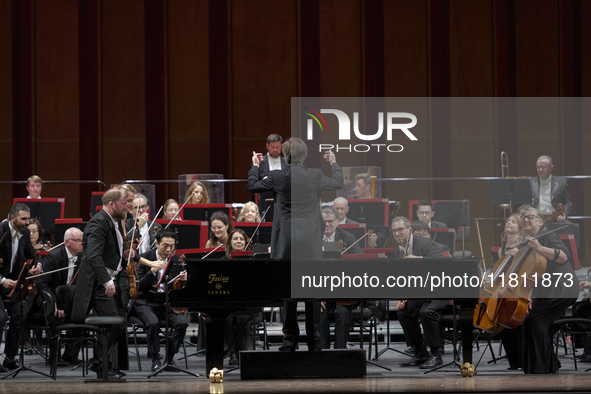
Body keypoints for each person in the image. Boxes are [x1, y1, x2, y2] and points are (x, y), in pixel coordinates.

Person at [248, 137, 343, 351]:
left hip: (286, 240)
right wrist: (334, 162)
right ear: (305, 156)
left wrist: (255, 166)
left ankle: (289, 341)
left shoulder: (277, 176)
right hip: (309, 240)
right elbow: (338, 183)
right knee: (311, 292)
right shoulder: (315, 175)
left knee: (287, 291)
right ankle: (314, 341)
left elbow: (252, 186)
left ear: (285, 155)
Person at [71, 189, 164, 379]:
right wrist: (106, 282)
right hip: (99, 284)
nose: (128, 207)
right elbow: (93, 256)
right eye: (124, 203)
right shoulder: (98, 223)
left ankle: (99, 362)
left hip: (110, 280)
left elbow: (113, 251)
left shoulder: (112, 221)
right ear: (111, 204)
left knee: (120, 321)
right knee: (114, 323)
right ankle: (100, 365)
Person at [518, 206, 578, 374]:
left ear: (539, 220)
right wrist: (529, 297)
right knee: (529, 318)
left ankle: (542, 366)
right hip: (546, 291)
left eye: (530, 216)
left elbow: (563, 257)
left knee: (535, 319)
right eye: (523, 217)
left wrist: (539, 248)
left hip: (562, 288)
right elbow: (532, 274)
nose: (526, 219)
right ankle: (547, 364)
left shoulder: (549, 236)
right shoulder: (529, 242)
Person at [390, 216, 446, 369]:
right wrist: (402, 297)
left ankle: (436, 355)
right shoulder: (398, 251)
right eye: (394, 231)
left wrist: (419, 258)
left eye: (400, 230)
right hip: (421, 293)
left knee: (426, 312)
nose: (397, 233)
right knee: (403, 313)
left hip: (439, 290)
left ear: (410, 229)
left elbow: (441, 262)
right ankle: (420, 353)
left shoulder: (425, 244)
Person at [132, 229, 188, 372]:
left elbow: (183, 289)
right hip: (146, 302)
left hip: (167, 304)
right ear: (156, 243)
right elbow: (139, 285)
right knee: (153, 323)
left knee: (182, 324)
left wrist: (186, 280)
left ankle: (169, 358)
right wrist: (152, 271)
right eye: (165, 246)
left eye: (172, 246)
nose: (169, 250)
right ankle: (155, 359)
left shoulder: (176, 261)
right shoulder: (145, 258)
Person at [0, 203, 42, 371]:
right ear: (12, 218)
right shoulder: (0, 232)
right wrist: (1, 280)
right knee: (0, 318)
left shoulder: (24, 233)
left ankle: (10, 358)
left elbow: (32, 254)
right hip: (2, 281)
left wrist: (37, 266)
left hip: (11, 284)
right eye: (23, 219)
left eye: (28, 218)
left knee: (20, 316)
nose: (27, 223)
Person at [36, 227, 83, 365]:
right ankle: (53, 357)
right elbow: (41, 284)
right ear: (67, 242)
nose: (82, 243)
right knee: (55, 315)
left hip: (69, 300)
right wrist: (55, 303)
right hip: (49, 299)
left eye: (82, 240)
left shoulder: (83, 257)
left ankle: (70, 355)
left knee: (80, 314)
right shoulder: (54, 257)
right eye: (78, 240)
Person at [224, 228, 253, 365]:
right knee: (226, 318)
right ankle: (233, 353)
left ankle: (242, 353)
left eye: (241, 239)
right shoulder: (223, 261)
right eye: (235, 239)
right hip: (228, 302)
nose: (239, 241)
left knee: (242, 318)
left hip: (247, 303)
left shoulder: (252, 260)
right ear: (230, 242)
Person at [530, 155, 572, 222]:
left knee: (573, 227)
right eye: (538, 167)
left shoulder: (561, 182)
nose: (540, 170)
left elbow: (568, 203)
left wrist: (563, 214)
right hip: (536, 219)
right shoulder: (530, 182)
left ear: (551, 168)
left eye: (543, 167)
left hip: (555, 218)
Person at [252, 134, 287, 213]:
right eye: (272, 147)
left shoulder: (287, 163)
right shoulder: (259, 161)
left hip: (283, 202)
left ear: (281, 146)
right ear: (267, 146)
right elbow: (253, 182)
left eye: (277, 147)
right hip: (263, 202)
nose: (275, 149)